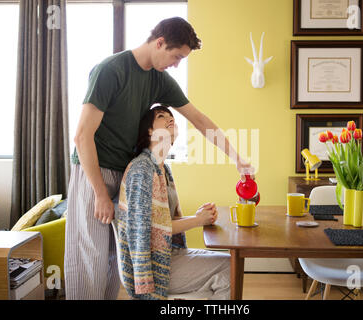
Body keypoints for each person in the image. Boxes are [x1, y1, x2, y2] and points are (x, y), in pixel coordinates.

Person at [65, 17, 253, 300]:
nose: (176, 64)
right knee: (89, 258)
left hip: (126, 173)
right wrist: (100, 194)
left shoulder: (158, 79)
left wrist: (237, 158)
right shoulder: (111, 70)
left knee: (117, 261)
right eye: (176, 56)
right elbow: (82, 137)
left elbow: (199, 119)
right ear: (160, 42)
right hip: (95, 170)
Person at [115, 105, 230, 300]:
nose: (171, 119)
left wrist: (201, 216)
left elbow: (162, 221)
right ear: (149, 131)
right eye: (161, 116)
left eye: (172, 117)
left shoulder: (163, 169)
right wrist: (197, 220)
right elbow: (148, 229)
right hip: (150, 266)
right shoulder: (142, 169)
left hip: (168, 253)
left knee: (229, 263)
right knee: (228, 268)